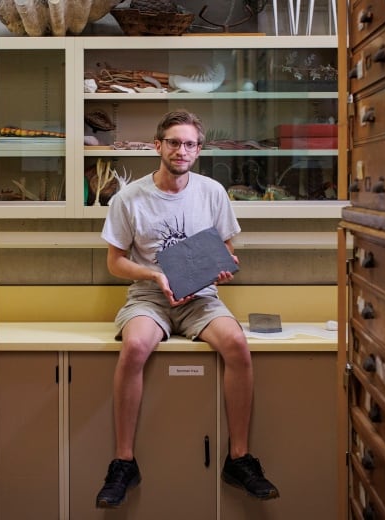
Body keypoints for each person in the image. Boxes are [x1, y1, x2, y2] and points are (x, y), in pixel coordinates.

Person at [95, 109, 279, 509]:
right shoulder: (129, 198)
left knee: (237, 344)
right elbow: (114, 262)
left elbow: (227, 249)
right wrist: (155, 277)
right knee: (135, 348)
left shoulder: (212, 192)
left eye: (190, 144)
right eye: (174, 142)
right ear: (158, 146)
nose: (182, 150)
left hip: (201, 297)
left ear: (199, 149)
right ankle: (123, 462)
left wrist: (221, 267)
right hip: (150, 298)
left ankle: (239, 458)